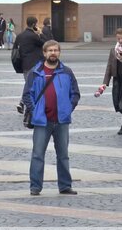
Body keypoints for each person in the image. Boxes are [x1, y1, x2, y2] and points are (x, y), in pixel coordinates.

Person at [22, 40, 80, 196]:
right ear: (44, 53)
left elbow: (75, 94)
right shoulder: (35, 72)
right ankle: (35, 187)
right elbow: (27, 95)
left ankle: (65, 186)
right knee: (37, 155)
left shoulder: (67, 72)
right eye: (50, 50)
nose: (53, 53)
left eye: (56, 50)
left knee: (63, 155)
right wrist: (35, 111)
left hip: (61, 121)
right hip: (42, 121)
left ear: (59, 52)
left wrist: (68, 108)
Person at [13, 16, 46, 114]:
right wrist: (40, 33)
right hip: (35, 64)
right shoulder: (33, 36)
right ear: (34, 24)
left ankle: (22, 104)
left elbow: (15, 49)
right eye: (36, 23)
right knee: (33, 86)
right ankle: (27, 106)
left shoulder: (20, 36)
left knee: (29, 85)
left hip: (25, 65)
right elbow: (45, 43)